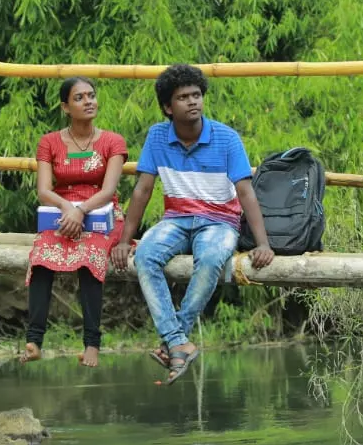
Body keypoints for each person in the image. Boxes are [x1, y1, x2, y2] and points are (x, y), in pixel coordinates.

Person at [109, 64, 274, 385]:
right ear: (168, 107)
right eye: (183, 97)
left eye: (196, 95)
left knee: (212, 258)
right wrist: (124, 240)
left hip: (219, 222)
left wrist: (262, 243)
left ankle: (174, 338)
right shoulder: (158, 136)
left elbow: (245, 192)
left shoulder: (226, 138)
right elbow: (142, 190)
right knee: (144, 257)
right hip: (176, 220)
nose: (193, 102)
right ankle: (178, 341)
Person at [22, 76, 128, 368]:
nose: (88, 101)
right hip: (62, 210)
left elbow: (108, 190)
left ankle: (92, 344)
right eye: (79, 98)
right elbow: (44, 191)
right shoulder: (50, 142)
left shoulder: (112, 141)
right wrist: (69, 208)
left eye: (91, 95)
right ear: (65, 107)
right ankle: (34, 340)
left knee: (91, 254)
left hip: (102, 213)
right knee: (42, 255)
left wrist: (81, 212)